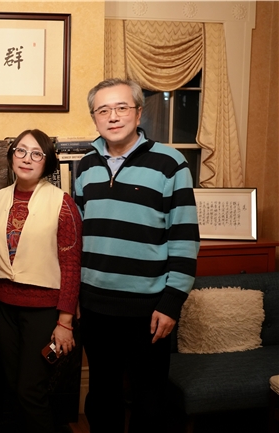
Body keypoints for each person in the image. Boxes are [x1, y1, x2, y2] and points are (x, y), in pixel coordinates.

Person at [74, 78, 200, 433]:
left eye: (121, 108)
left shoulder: (171, 163)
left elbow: (185, 236)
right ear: (94, 118)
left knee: (149, 400)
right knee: (103, 396)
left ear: (139, 112)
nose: (113, 117)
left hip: (149, 308)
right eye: (103, 110)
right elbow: (79, 234)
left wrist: (171, 303)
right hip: (95, 305)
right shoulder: (85, 165)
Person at [0, 129, 82, 432]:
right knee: (12, 388)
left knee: (30, 390)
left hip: (43, 311)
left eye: (37, 153)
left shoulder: (62, 203)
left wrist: (65, 322)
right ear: (12, 155)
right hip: (3, 308)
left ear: (47, 162)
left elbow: (72, 265)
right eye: (21, 151)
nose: (27, 158)